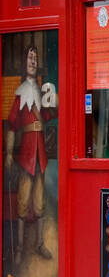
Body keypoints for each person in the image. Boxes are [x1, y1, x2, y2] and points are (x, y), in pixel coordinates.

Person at [5, 45, 55, 259]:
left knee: (40, 202)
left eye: (35, 58)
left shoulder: (42, 90)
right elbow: (12, 126)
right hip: (26, 155)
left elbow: (48, 116)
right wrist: (8, 153)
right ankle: (18, 249)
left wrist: (52, 99)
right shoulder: (19, 96)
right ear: (24, 62)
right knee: (23, 203)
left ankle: (40, 245)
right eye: (29, 58)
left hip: (40, 155)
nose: (33, 62)